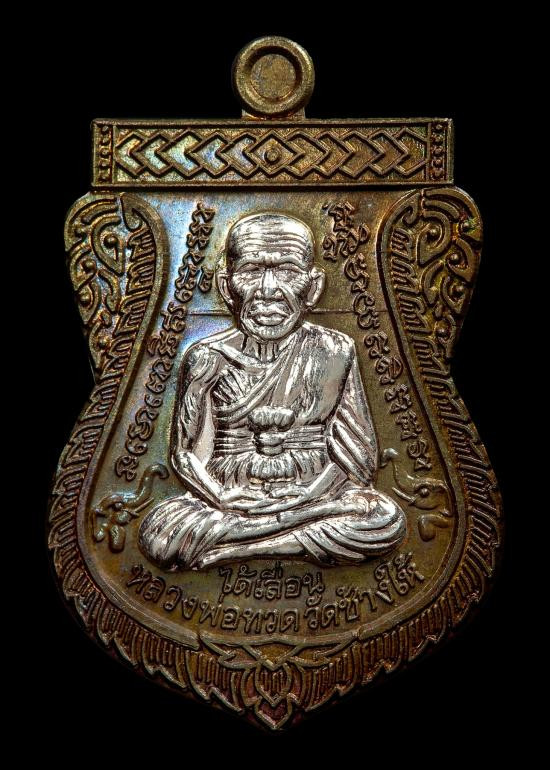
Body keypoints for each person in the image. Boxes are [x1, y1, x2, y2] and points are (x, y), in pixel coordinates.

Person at [139, 212, 407, 570]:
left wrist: (309, 496)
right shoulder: (207, 356)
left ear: (313, 287)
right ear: (226, 286)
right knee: (162, 532)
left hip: (313, 494)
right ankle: (280, 538)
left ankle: (242, 550)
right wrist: (222, 497)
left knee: (381, 517)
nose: (268, 289)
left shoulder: (334, 350)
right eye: (251, 271)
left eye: (287, 271)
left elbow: (355, 457)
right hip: (232, 496)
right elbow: (185, 454)